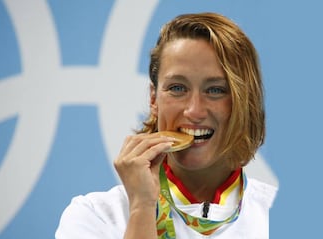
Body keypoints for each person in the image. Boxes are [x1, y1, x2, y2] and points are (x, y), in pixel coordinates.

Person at [55, 12, 277, 239]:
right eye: (177, 88)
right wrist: (141, 207)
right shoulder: (95, 216)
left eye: (215, 90)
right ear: (153, 99)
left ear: (243, 102)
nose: (194, 110)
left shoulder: (275, 215)